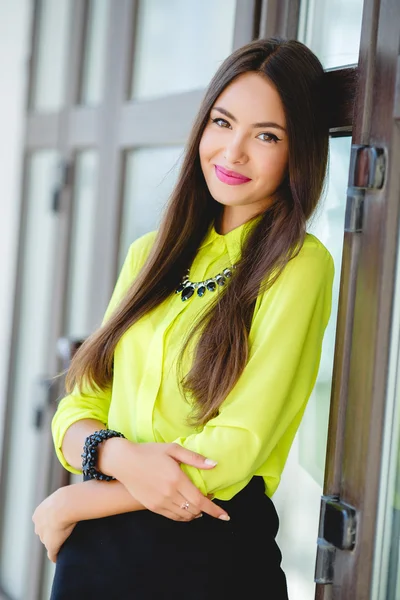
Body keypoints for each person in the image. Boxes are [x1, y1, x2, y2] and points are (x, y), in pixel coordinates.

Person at [33, 37, 334, 599]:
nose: (233, 152)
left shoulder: (299, 265)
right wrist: (116, 455)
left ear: (300, 152)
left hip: (208, 555)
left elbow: (233, 449)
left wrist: (78, 498)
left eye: (267, 135)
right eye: (223, 122)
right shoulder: (151, 254)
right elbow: (80, 402)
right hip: (96, 558)